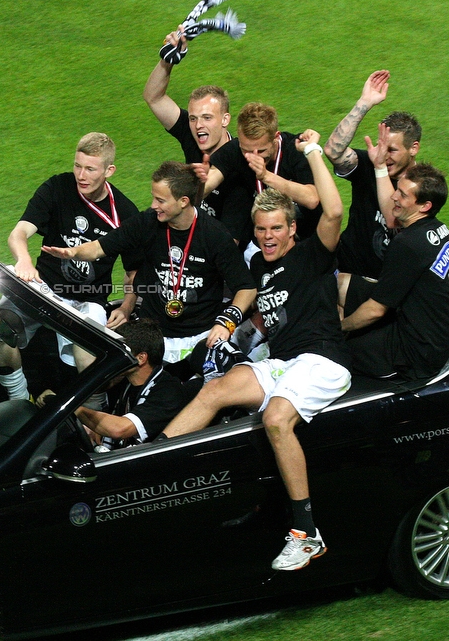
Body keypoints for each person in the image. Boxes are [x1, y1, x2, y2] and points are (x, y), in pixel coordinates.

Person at [161, 130, 352, 572]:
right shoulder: (257, 266)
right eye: (261, 229)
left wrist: (313, 152)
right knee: (214, 391)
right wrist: (233, 337)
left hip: (323, 361)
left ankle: (307, 534)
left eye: (275, 230)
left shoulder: (313, 255)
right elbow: (267, 318)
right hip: (285, 363)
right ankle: (149, 458)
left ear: (292, 229)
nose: (267, 237)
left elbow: (335, 208)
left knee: (275, 419)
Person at [42, 161, 256, 365]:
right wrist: (73, 252)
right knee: (105, 362)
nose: (154, 205)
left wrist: (227, 322)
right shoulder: (147, 223)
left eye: (161, 200)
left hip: (198, 337)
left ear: (183, 201)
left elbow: (246, 287)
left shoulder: (215, 235)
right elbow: (100, 247)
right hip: (152, 334)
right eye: (154, 198)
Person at [0, 133, 139, 402]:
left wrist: (126, 306)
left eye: (90, 169)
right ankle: (18, 399)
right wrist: (24, 260)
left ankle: (95, 418)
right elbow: (18, 233)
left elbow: (134, 270)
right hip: (43, 290)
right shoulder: (58, 188)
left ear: (109, 170)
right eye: (77, 166)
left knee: (89, 354)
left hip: (87, 301)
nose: (81, 175)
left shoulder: (125, 213)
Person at [340, 163, 449, 380]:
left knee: (329, 348)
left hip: (416, 352)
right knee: (340, 283)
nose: (394, 197)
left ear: (424, 206)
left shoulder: (408, 244)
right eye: (397, 189)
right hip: (434, 332)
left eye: (403, 195)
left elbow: (376, 310)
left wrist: (340, 328)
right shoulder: (438, 229)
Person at [323, 70, 422, 278]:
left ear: (413, 148)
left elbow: (393, 221)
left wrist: (380, 169)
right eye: (382, 147)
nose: (384, 156)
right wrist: (364, 103)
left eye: (392, 150)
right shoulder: (370, 162)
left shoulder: (423, 186)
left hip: (384, 284)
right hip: (344, 268)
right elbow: (333, 150)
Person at [200, 102, 321, 258]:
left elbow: (312, 198)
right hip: (266, 246)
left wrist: (266, 176)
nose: (253, 157)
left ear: (276, 138)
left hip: (307, 242)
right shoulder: (234, 150)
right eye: (246, 150)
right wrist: (199, 183)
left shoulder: (296, 149)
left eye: (261, 150)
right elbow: (209, 182)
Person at [143, 29, 236, 221]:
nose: (198, 126)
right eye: (193, 118)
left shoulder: (240, 159)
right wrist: (167, 61)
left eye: (207, 118)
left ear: (225, 119)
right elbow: (154, 98)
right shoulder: (192, 132)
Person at [74, 319, 186, 449]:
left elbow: (119, 429)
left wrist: (71, 408)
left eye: (119, 351)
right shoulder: (123, 382)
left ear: (140, 358)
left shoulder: (168, 391)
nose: (112, 357)